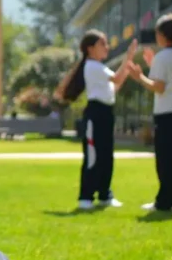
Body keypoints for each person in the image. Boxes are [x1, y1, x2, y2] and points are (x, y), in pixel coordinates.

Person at [54, 32, 136, 210]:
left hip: (106, 113)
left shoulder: (99, 68)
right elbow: (116, 77)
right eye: (102, 44)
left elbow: (114, 87)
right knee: (93, 156)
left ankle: (105, 194)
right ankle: (86, 197)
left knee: (106, 156)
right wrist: (128, 57)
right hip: (95, 114)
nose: (106, 47)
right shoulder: (93, 66)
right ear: (90, 49)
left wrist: (127, 67)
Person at [129, 14, 172, 212]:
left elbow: (159, 87)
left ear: (163, 35)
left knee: (165, 159)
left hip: (166, 112)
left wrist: (140, 77)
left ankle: (163, 202)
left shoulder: (163, 56)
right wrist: (151, 65)